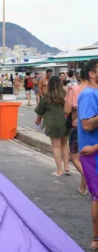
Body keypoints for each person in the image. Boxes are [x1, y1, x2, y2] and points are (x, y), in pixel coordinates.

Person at [77, 59, 98, 250]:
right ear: (92, 74)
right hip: (93, 154)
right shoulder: (89, 95)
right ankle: (96, 239)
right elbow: (87, 124)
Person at [35, 75, 70, 176]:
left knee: (56, 146)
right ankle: (67, 167)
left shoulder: (47, 97)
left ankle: (59, 170)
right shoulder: (66, 94)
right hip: (66, 122)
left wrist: (38, 121)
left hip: (53, 123)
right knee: (64, 144)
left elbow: (40, 111)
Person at [64, 65, 88, 196]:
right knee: (87, 157)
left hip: (77, 126)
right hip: (92, 127)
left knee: (74, 157)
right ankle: (82, 187)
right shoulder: (94, 90)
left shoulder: (74, 89)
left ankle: (90, 179)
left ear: (79, 76)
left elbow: (67, 110)